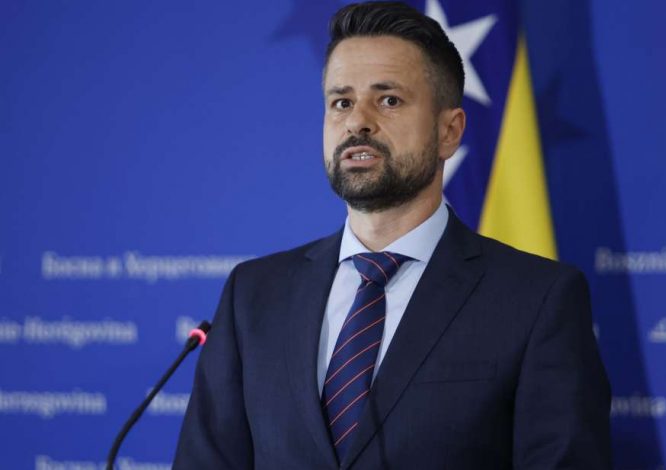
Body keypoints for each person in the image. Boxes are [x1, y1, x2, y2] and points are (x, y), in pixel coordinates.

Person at [173, 2, 611, 469]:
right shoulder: (254, 295)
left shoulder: (537, 299)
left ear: (449, 131)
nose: (357, 121)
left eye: (389, 100)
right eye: (341, 102)